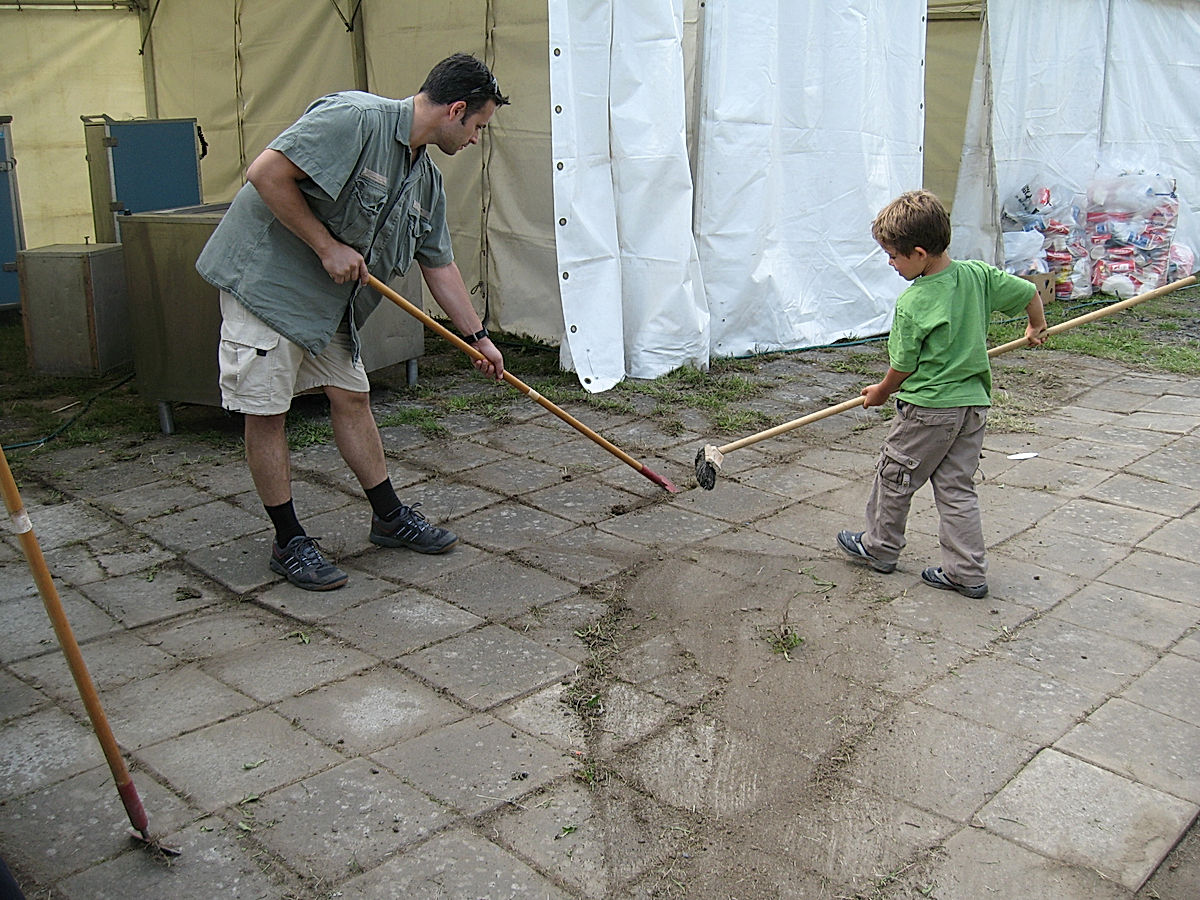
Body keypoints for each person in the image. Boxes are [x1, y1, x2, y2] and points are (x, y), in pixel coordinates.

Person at [197, 53, 509, 591]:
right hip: (268, 288)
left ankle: (388, 516)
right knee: (268, 412)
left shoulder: (425, 180)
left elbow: (438, 263)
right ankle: (288, 540)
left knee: (352, 396)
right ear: (456, 110)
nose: (477, 139)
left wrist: (477, 337)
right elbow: (266, 173)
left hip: (328, 309)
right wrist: (326, 246)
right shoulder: (353, 119)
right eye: (479, 126)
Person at [836, 189, 1047, 599]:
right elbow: (1028, 293)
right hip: (972, 407)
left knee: (894, 476)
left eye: (894, 256)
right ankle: (967, 571)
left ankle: (880, 547)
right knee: (955, 488)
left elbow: (904, 367)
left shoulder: (914, 302)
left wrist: (880, 392)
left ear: (918, 253)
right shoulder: (978, 275)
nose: (891, 264)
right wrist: (1035, 326)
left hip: (927, 411)